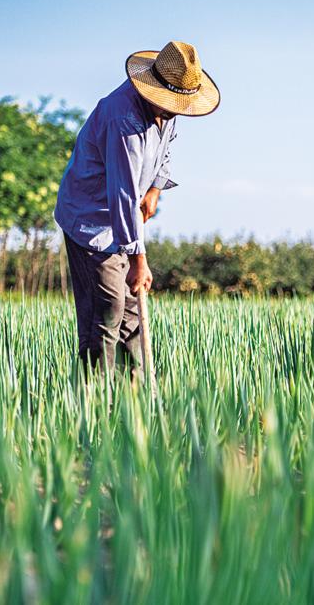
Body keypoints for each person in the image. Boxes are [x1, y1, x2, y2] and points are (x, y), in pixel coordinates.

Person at [54, 41, 220, 376]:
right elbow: (124, 195)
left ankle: (134, 403)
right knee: (108, 310)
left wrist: (156, 187)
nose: (174, 111)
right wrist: (138, 262)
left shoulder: (166, 110)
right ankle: (94, 403)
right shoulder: (124, 120)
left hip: (123, 219)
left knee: (132, 313)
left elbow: (166, 149)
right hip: (92, 223)